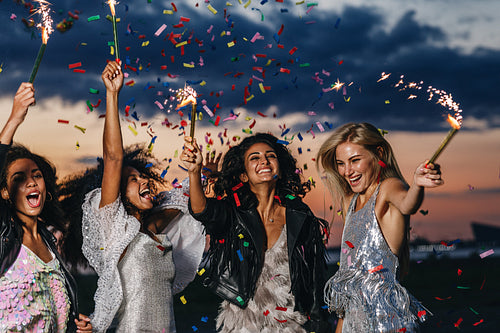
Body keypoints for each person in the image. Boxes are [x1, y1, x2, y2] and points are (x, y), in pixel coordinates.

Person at [78, 61, 205, 332]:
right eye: (131, 180)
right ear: (116, 193)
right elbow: (113, 157)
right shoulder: (112, 227)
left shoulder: (156, 227)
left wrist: (203, 172)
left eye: (143, 176)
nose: (143, 180)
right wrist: (112, 95)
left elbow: (191, 201)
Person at [181, 133, 331, 333]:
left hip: (290, 324)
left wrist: (319, 325)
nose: (264, 160)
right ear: (243, 175)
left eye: (270, 155)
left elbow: (314, 277)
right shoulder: (233, 213)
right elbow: (202, 210)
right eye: (255, 157)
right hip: (243, 323)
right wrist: (194, 172)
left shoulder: (300, 215)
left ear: (280, 167)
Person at [316, 122, 444, 332]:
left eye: (355, 160)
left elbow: (408, 203)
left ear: (379, 154)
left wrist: (418, 184)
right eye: (341, 163)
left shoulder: (388, 187)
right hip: (352, 321)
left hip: (385, 320)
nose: (347, 171)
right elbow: (350, 285)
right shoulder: (349, 201)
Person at [0, 82, 92, 332]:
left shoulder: (50, 240)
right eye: (19, 177)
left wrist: (78, 324)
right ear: (5, 193)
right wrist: (14, 119)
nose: (31, 181)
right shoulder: (3, 236)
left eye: (36, 175)